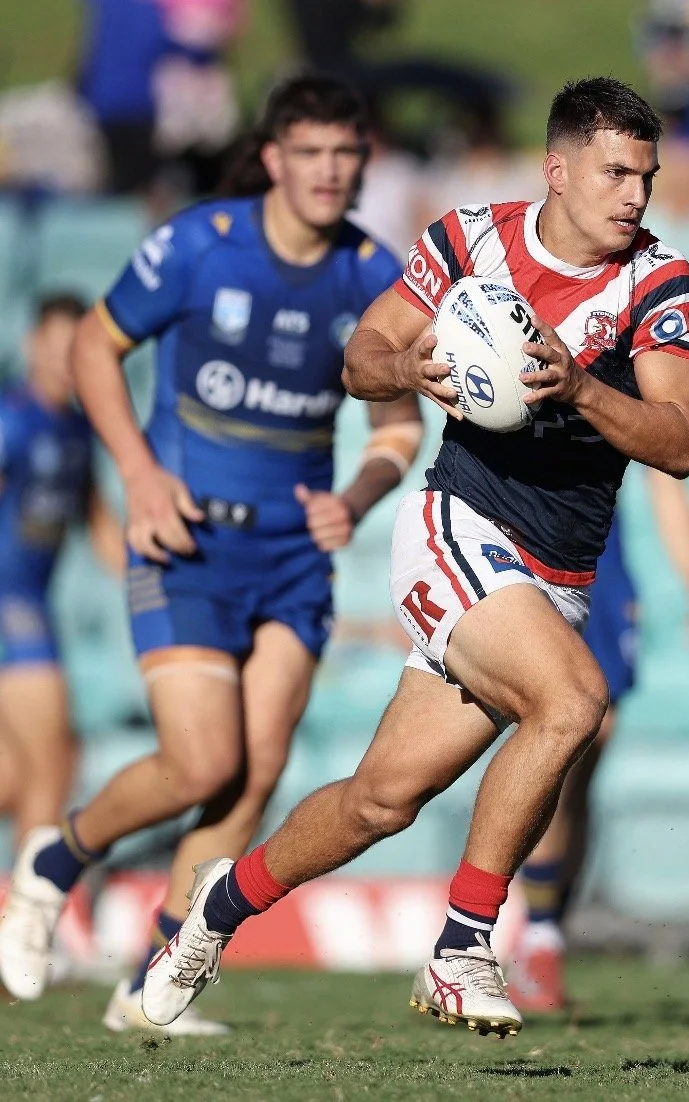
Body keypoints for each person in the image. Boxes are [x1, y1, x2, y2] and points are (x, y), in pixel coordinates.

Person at [139, 75, 689, 1039]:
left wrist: (577, 388)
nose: (634, 197)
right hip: (458, 526)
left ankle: (215, 907)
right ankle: (463, 947)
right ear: (557, 168)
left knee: (379, 801)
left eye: (646, 178)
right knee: (573, 701)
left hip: (559, 574)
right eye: (615, 173)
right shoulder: (467, 241)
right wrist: (408, 368)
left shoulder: (658, 281)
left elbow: (682, 440)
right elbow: (363, 356)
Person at [0, 75, 421, 1035]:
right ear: (273, 158)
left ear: (363, 163)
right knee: (201, 764)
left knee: (254, 771)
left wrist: (354, 497)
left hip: (290, 556)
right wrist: (141, 476)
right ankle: (52, 865)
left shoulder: (371, 274)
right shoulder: (199, 246)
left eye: (345, 154)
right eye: (309, 152)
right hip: (187, 539)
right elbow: (95, 352)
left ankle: (149, 986)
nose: (328, 171)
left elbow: (398, 422)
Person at [510, 469, 689, 1011]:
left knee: (590, 747)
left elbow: (666, 477)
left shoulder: (625, 381)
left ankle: (546, 937)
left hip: (596, 559)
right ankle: (531, 937)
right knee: (555, 739)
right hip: (513, 544)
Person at [0, 294, 121, 845]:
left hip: (32, 602)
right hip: (13, 607)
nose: (58, 360)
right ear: (30, 346)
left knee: (16, 781)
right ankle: (23, 922)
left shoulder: (76, 431)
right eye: (50, 346)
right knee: (51, 769)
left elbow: (102, 531)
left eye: (72, 349)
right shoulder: (12, 421)